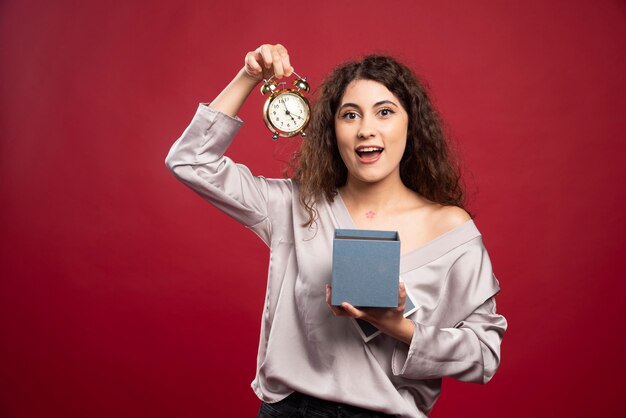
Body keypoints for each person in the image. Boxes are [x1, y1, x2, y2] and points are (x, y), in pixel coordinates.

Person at [165, 44, 507, 418]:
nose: (365, 129)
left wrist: (398, 326)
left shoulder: (452, 230)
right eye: (350, 115)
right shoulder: (297, 207)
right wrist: (250, 76)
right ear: (332, 130)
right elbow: (190, 160)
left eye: (385, 112)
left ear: (411, 124)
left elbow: (483, 355)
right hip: (290, 411)